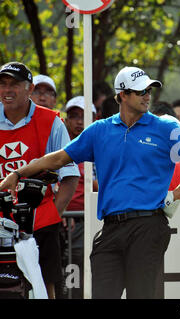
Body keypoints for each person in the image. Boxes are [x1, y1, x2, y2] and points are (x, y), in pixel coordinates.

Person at [0, 66, 180, 299]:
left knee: (141, 295)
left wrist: (176, 196)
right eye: (140, 91)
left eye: (149, 91)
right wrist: (18, 174)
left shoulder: (165, 126)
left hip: (148, 224)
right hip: (111, 227)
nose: (147, 96)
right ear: (122, 95)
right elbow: (60, 157)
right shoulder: (100, 130)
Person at [0, 62, 80, 299]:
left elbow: (70, 175)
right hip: (0, 217)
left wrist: (52, 215)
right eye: (3, 84)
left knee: (45, 286)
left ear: (29, 89)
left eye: (14, 84)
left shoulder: (51, 121)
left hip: (40, 219)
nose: (7, 90)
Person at [63, 96, 99, 299]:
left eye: (85, 116)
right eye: (74, 116)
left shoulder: (102, 144)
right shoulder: (60, 146)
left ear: (95, 119)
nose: (79, 121)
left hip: (92, 219)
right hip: (64, 219)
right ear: (66, 120)